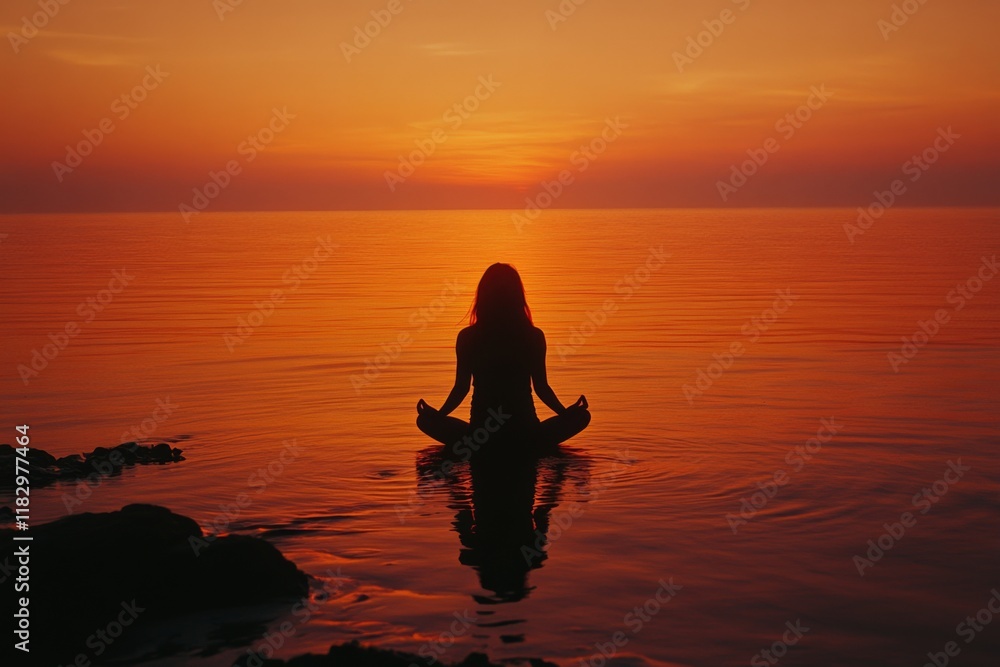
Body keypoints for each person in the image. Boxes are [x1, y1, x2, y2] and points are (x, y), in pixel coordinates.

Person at [416, 263, 590, 457]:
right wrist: (566, 414)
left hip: (480, 437)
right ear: (518, 297)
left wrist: (437, 416)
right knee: (582, 417)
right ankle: (532, 446)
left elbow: (461, 388)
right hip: (526, 434)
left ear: (482, 297)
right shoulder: (532, 336)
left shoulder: (468, 337)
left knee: (424, 421)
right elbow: (542, 388)